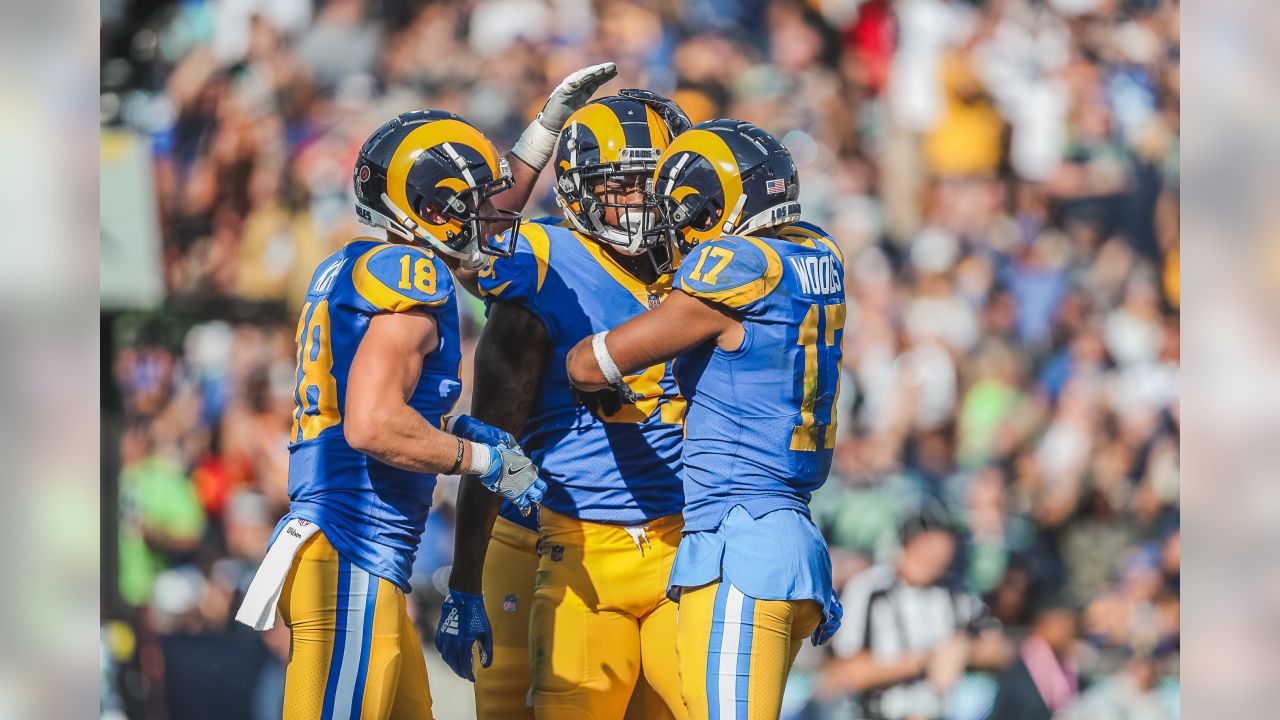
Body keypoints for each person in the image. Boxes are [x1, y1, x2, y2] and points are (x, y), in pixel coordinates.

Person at [232, 106, 572, 720]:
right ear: (431, 210)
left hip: (358, 560)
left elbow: (383, 410)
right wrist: (481, 458)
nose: (490, 217)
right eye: (470, 203)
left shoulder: (357, 263)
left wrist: (460, 431)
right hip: (351, 556)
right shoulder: (411, 273)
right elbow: (371, 424)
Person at [565, 118, 846, 720]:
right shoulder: (815, 249)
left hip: (741, 543)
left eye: (679, 211)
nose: (671, 226)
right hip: (785, 535)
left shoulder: (734, 268)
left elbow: (591, 364)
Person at [436, 90, 694, 720]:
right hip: (542, 534)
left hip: (674, 539)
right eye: (621, 184)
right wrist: (463, 579)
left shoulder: (705, 263)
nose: (638, 200)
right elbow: (495, 434)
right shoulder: (548, 263)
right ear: (581, 187)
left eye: (651, 181)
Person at [823, 502, 1011, 720]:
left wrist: (967, 651)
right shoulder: (868, 589)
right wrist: (926, 660)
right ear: (915, 542)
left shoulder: (956, 594)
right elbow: (844, 672)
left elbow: (1003, 651)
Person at [988, 600, 1080, 720]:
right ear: (1041, 626)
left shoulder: (1069, 669)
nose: (1067, 632)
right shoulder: (1017, 668)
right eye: (1060, 625)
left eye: (1070, 627)